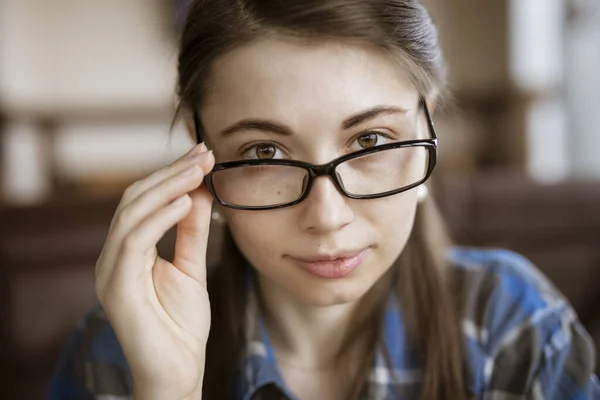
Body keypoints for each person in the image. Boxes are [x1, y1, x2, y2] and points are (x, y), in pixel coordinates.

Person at [47, 0, 600, 399]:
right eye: (265, 152)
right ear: (200, 147)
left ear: (427, 121)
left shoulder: (514, 327)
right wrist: (167, 391)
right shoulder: (116, 351)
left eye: (370, 141)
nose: (327, 218)